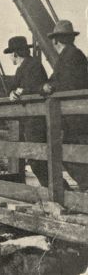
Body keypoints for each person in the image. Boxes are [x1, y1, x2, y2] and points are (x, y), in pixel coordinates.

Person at [42, 20, 88, 191]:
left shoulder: (71, 56)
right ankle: (85, 186)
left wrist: (49, 87)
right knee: (71, 153)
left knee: (65, 152)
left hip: (75, 115)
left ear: (55, 40)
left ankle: (85, 186)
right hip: (76, 114)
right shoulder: (73, 55)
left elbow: (67, 83)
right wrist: (48, 85)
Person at [4, 36, 49, 186]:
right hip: (28, 119)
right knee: (35, 158)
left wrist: (22, 91)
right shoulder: (22, 68)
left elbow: (37, 88)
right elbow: (12, 87)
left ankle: (62, 192)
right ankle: (59, 191)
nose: (11, 58)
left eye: (11, 54)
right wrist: (12, 92)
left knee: (36, 159)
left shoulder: (33, 65)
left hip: (36, 119)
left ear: (15, 54)